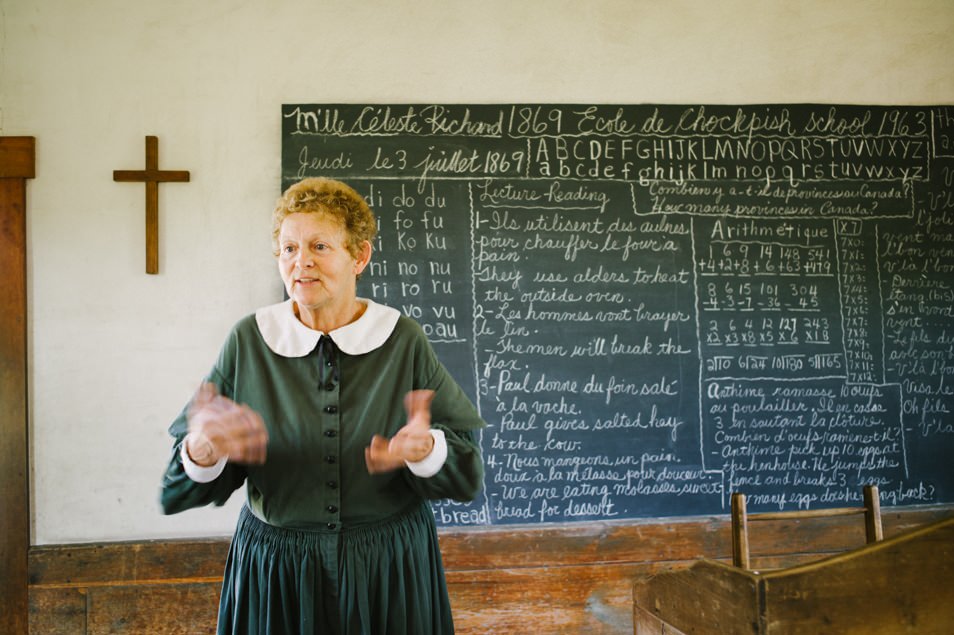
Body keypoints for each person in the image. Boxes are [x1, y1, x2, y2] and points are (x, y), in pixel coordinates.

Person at [161, 177, 486, 634]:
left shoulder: (403, 339)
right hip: (278, 572)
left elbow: (467, 469)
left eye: (319, 246)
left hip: (387, 567)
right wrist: (204, 452)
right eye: (288, 248)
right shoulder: (248, 341)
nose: (301, 262)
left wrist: (428, 450)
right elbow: (178, 486)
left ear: (360, 256)